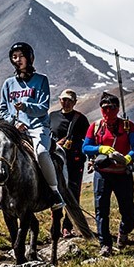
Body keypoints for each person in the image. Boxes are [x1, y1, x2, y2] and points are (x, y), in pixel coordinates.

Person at [0, 42, 66, 210]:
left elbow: (43, 108)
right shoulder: (8, 84)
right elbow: (3, 109)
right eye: (14, 57)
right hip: (16, 129)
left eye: (21, 56)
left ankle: (54, 192)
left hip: (37, 127)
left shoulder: (41, 80)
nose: (18, 60)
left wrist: (26, 108)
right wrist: (14, 123)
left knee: (42, 153)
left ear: (29, 58)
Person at [83, 92, 134, 257]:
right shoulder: (95, 127)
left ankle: (124, 229)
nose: (107, 111)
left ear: (117, 108)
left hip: (123, 173)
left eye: (111, 108)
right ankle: (105, 244)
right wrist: (100, 149)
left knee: (128, 209)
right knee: (101, 210)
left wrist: (129, 157)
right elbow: (85, 147)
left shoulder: (128, 126)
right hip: (102, 174)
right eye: (104, 108)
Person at [49, 89, 90, 238]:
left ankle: (68, 226)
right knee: (55, 192)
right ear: (60, 100)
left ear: (74, 102)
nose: (66, 103)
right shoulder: (52, 116)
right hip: (56, 161)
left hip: (75, 162)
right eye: (63, 100)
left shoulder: (81, 119)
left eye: (69, 101)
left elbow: (88, 139)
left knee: (72, 193)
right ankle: (55, 224)